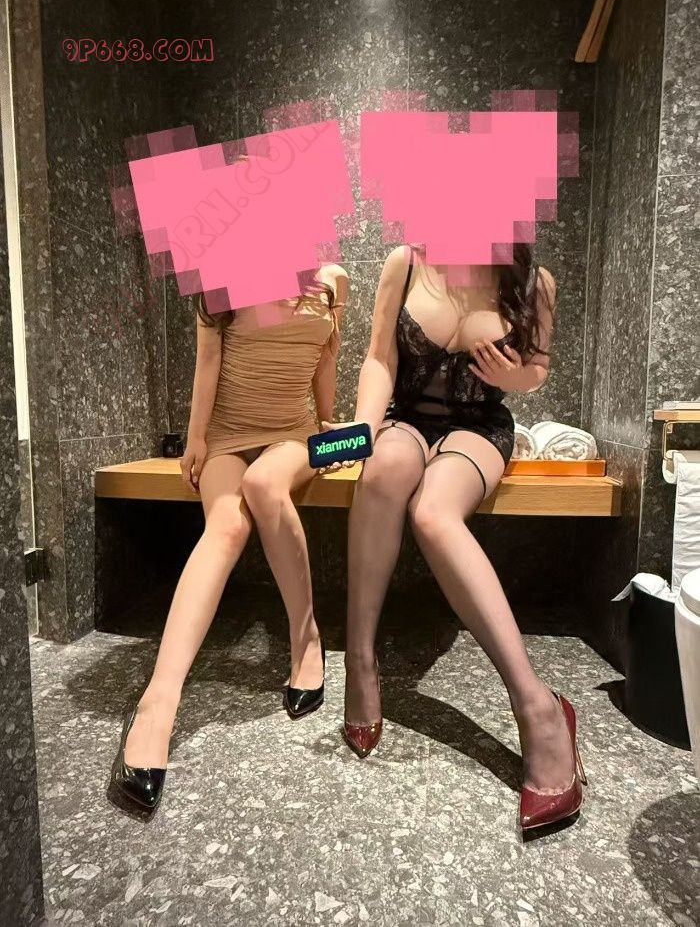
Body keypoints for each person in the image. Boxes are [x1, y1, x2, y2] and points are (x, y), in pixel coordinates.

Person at [331, 242, 586, 831]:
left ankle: (538, 707)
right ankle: (361, 662)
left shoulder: (534, 281)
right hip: (405, 418)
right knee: (385, 471)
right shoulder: (405, 262)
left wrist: (514, 375)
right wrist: (363, 429)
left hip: (480, 427)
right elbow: (379, 357)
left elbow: (538, 369)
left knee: (433, 514)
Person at [111, 262, 349, 811]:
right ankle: (157, 704)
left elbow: (327, 357)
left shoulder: (334, 279)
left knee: (266, 484)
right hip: (228, 433)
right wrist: (196, 438)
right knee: (227, 524)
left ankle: (306, 639)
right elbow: (209, 359)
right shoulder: (222, 274)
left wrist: (330, 422)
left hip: (294, 434)